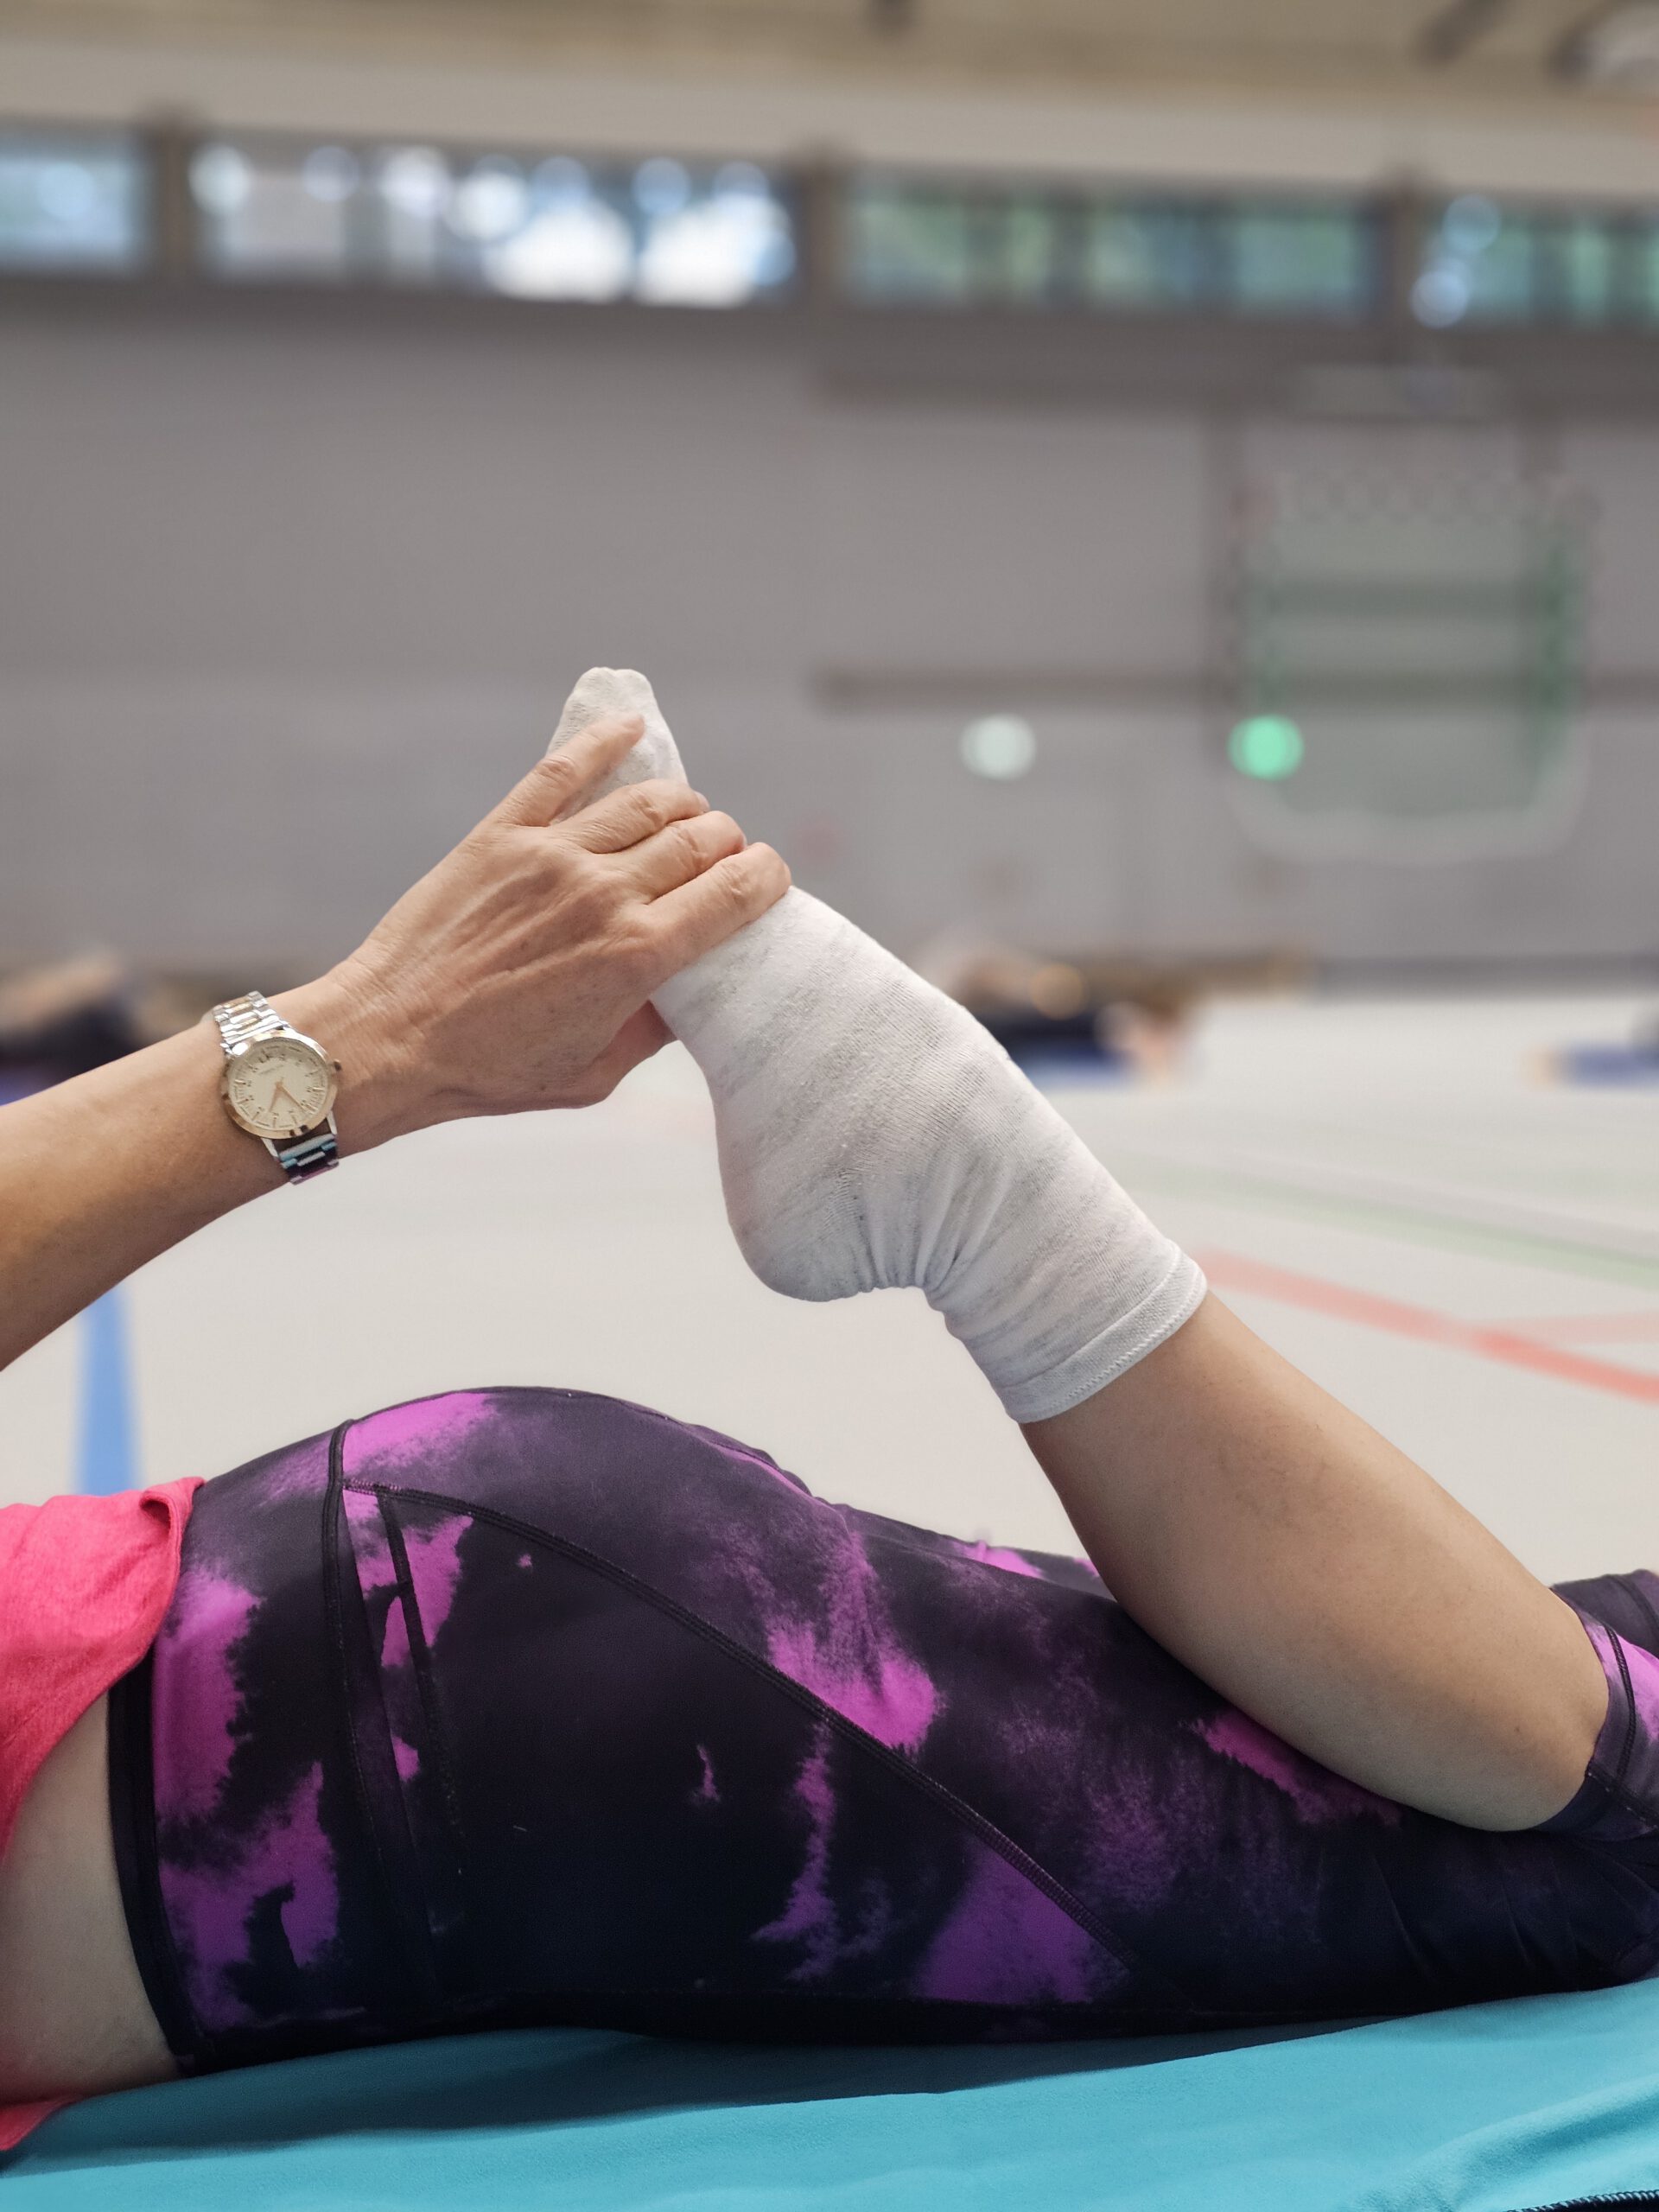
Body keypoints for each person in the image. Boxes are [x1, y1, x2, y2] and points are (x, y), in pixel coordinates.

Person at [1, 670, 1653, 2155]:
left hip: (377, 1703)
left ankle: (968, 1184)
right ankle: (955, 1175)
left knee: (1599, 1786)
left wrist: (359, 1037)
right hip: (406, 1661)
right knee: (1592, 1763)